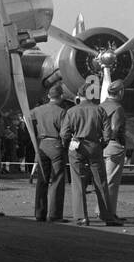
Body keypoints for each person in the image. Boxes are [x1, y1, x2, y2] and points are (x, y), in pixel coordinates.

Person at [61, 83, 122, 227]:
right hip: (95, 146)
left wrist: (67, 144)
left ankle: (82, 217)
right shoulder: (99, 110)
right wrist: (101, 145)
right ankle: (107, 216)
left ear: (79, 95)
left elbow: (64, 133)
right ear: (90, 95)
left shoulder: (71, 111)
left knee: (78, 182)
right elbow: (108, 134)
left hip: (77, 146)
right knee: (101, 182)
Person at [32, 85, 68, 223]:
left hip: (41, 144)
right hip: (56, 144)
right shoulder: (61, 112)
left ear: (48, 96)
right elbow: (65, 133)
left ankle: (39, 213)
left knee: (42, 180)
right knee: (57, 180)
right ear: (61, 96)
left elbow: (26, 117)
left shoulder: (38, 110)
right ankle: (55, 215)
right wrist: (65, 145)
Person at [101, 80, 128, 221]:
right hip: (114, 145)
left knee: (103, 180)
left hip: (101, 147)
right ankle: (108, 213)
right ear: (120, 92)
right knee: (111, 181)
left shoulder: (101, 106)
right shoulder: (117, 108)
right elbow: (115, 129)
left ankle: (102, 210)